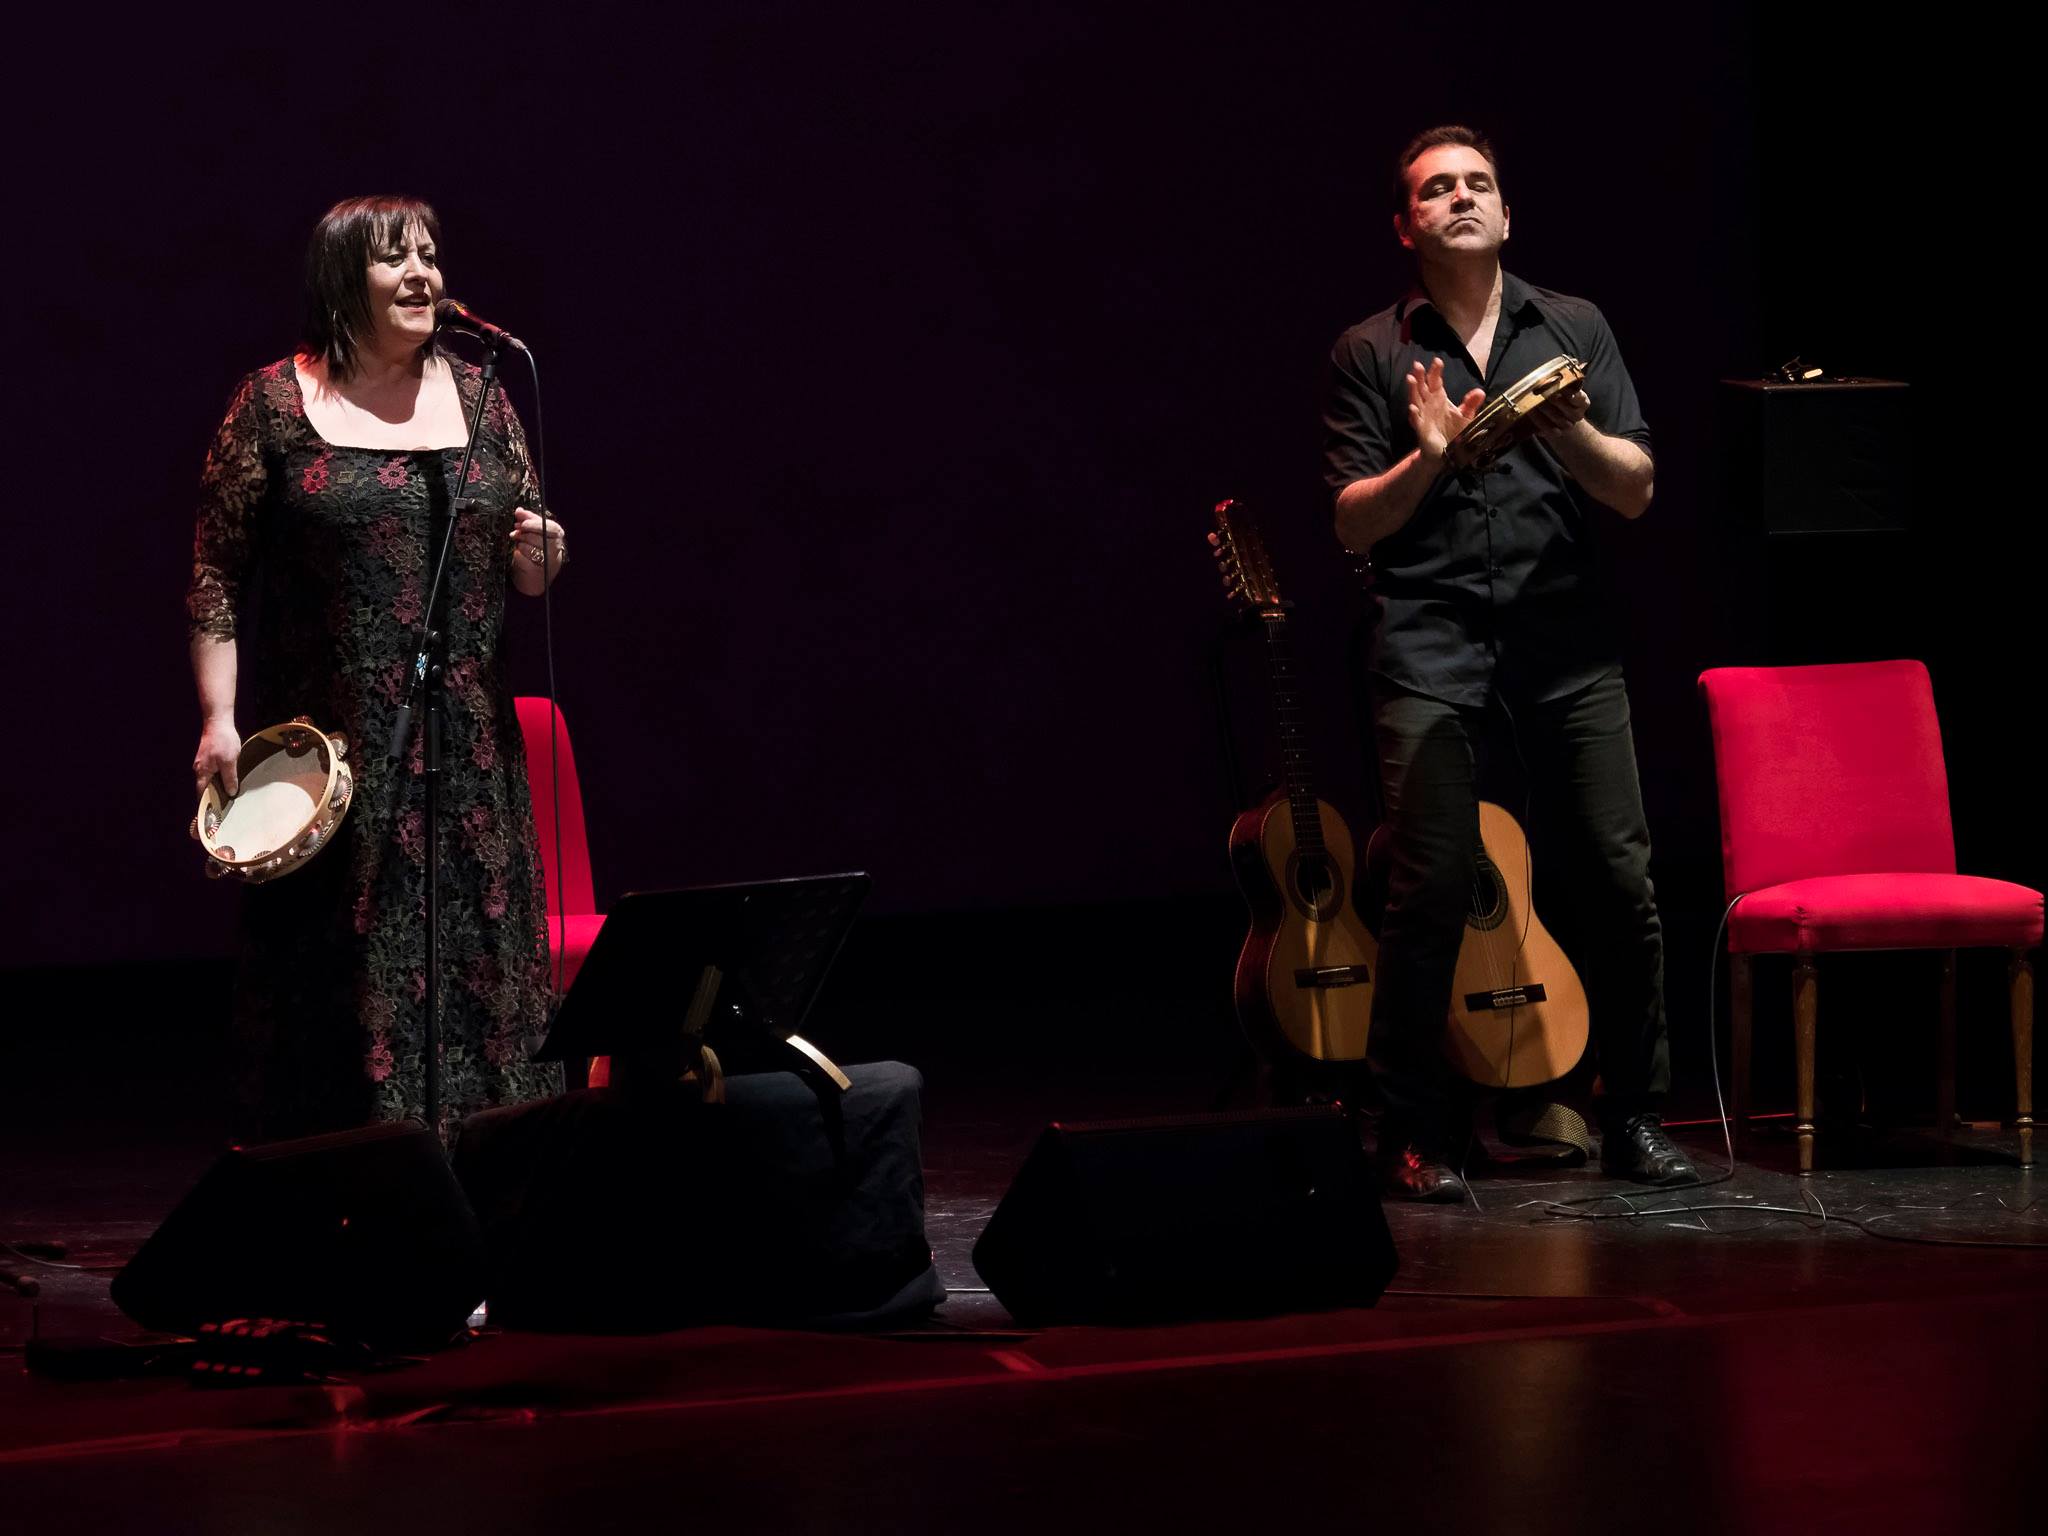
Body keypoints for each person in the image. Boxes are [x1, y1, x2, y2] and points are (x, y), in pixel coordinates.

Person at [1323, 127, 1696, 1201]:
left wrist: (1562, 431)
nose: (1459, 200)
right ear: (1405, 225)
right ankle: (1413, 1132)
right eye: (1434, 190)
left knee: (1616, 877)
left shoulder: (1569, 326)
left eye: (1476, 184)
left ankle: (1630, 1114)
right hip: (1431, 641)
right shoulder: (1369, 350)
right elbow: (1350, 525)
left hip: (1561, 638)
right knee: (1427, 884)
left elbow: (1631, 487)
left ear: (1503, 211)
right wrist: (1428, 458)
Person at [187, 195, 567, 1140]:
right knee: (343, 977)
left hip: (470, 756)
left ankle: (486, 1198)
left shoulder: (484, 395)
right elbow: (215, 575)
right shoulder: (274, 403)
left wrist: (541, 556)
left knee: (477, 975)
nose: (422, 274)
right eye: (394, 258)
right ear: (338, 279)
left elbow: (524, 560)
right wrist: (218, 720)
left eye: (431, 256)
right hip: (337, 755)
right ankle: (353, 1203)